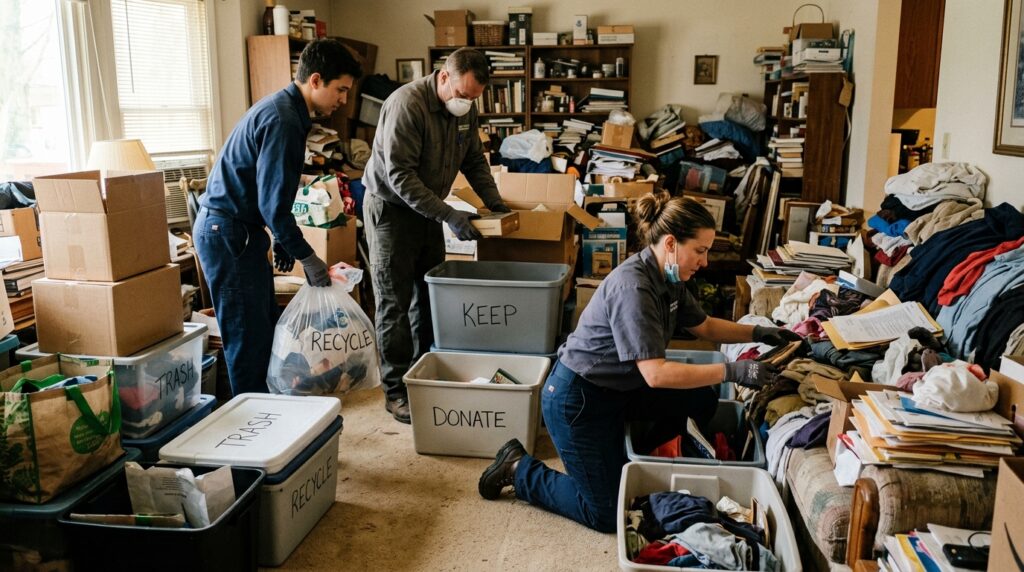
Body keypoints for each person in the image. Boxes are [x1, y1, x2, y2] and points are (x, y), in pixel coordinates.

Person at [477, 193, 800, 532]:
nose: (704, 262)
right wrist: (735, 370)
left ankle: (637, 456)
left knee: (701, 398)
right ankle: (519, 468)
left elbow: (704, 325)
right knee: (605, 513)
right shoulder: (634, 288)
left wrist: (760, 332)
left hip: (621, 390)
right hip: (578, 401)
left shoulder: (669, 278)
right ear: (672, 243)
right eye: (700, 251)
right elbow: (657, 374)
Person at [194, 39, 363, 396]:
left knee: (263, 331)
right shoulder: (284, 119)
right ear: (315, 80)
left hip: (238, 230)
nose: (343, 100)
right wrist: (309, 257)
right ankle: (253, 429)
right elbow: (272, 204)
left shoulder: (286, 111)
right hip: (227, 231)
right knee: (247, 340)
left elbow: (269, 194)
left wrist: (283, 239)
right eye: (341, 90)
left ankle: (268, 416)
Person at [363, 47, 510, 423]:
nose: (467, 103)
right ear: (443, 77)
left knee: (427, 293)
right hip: (391, 210)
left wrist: (494, 204)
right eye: (463, 95)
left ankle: (423, 372)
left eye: (474, 98)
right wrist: (448, 214)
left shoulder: (466, 107)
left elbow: (474, 159)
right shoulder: (406, 105)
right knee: (394, 302)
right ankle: (396, 391)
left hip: (427, 206)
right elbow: (400, 178)